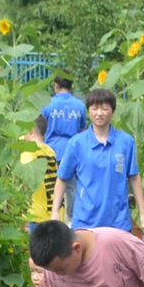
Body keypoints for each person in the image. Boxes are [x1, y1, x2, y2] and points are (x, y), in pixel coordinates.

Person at [53, 86, 144, 234]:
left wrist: (143, 213)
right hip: (85, 223)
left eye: (104, 109)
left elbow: (134, 178)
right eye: (94, 108)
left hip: (118, 223)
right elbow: (62, 179)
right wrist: (55, 212)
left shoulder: (126, 142)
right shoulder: (77, 143)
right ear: (88, 111)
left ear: (113, 111)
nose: (99, 113)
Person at [28, 75, 87, 219]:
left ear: (56, 85)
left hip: (52, 150)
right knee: (72, 187)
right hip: (73, 150)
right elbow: (81, 130)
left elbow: (40, 127)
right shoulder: (79, 106)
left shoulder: (48, 104)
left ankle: (52, 215)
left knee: (52, 185)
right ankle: (72, 220)